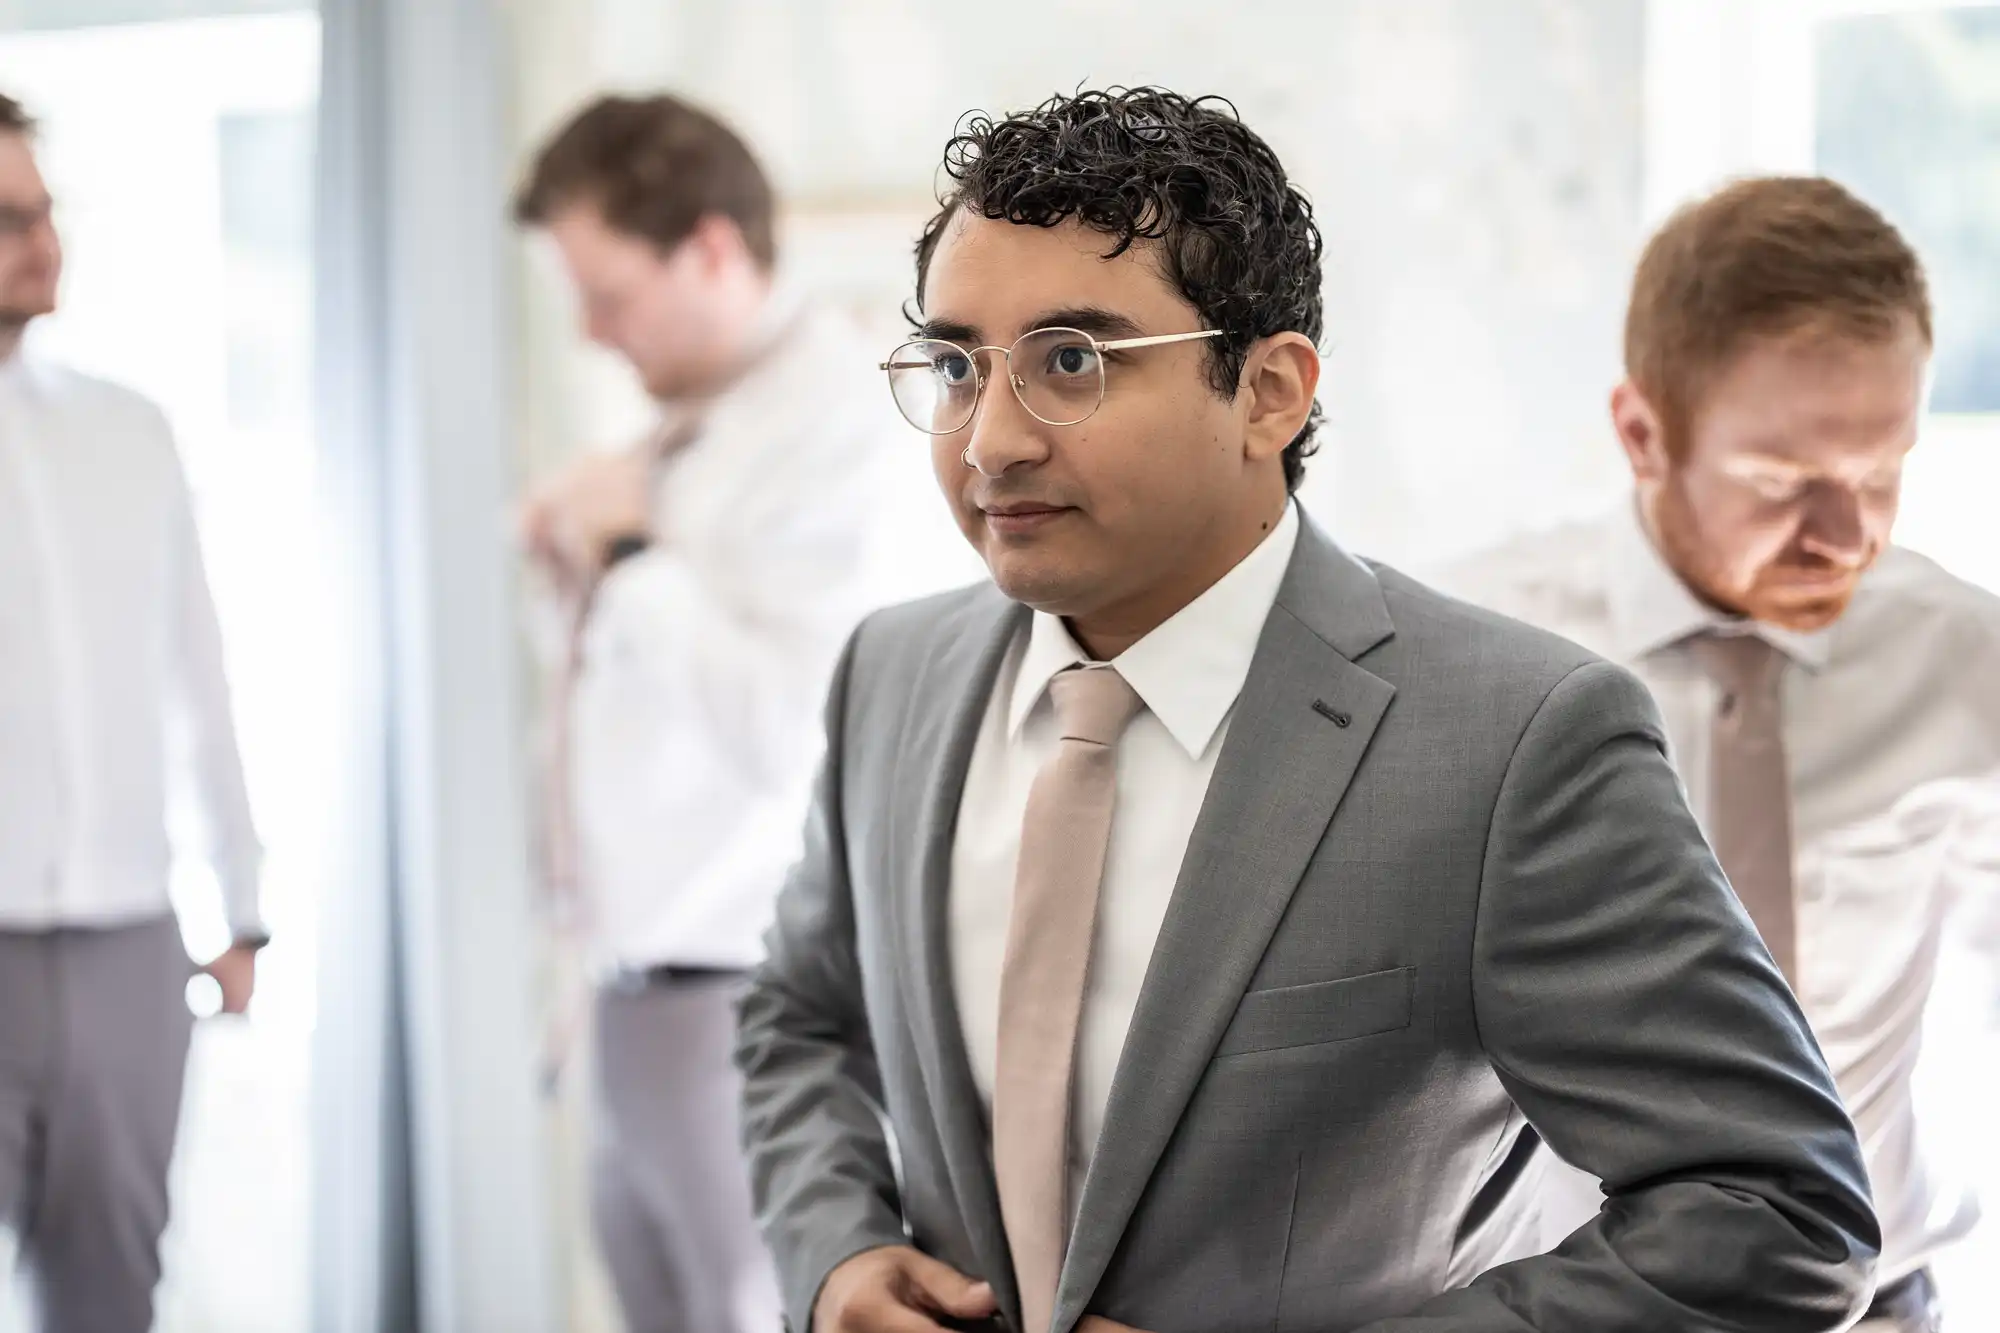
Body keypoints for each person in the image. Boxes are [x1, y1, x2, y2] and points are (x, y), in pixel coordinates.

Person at [735, 86, 1879, 1333]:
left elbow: (1773, 1213)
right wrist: (838, 1248)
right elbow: (799, 1017)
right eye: (957, 365)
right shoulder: (888, 676)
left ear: (1269, 391)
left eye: (1071, 362)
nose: (990, 440)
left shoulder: (1518, 739)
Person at [1433, 175, 2000, 1333]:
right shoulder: (1474, 659)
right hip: (1581, 1308)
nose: (1845, 535)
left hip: (1884, 1303)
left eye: (1879, 473)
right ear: (1641, 434)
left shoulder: (1964, 660)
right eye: (1783, 485)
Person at [512, 93, 900, 1333]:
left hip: (742, 994)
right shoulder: (695, 429)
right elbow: (637, 713)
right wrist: (572, 578)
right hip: (631, 988)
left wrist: (630, 559)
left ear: (713, 251)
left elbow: (794, 731)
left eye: (610, 295)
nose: (587, 329)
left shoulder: (839, 429)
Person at [0, 92, 267, 1332]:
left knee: (107, 1298)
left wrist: (242, 906)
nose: (42, 244)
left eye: (46, 212)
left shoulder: (129, 432)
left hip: (124, 947)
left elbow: (196, 679)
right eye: (7, 220)